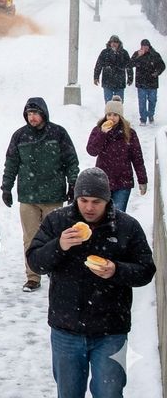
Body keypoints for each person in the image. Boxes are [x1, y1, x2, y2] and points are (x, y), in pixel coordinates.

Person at [26, 167, 155, 398]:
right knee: (68, 393)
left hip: (111, 331)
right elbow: (35, 262)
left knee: (109, 392)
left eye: (96, 201)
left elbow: (146, 270)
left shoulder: (126, 226)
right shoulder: (58, 221)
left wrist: (117, 270)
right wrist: (59, 246)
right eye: (83, 200)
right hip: (66, 329)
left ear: (108, 200)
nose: (89, 207)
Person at [1, 96, 80, 292]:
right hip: (28, 196)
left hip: (53, 195)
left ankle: (54, 269)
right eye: (29, 114)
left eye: (35, 113)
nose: (32, 117)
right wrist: (6, 187)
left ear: (43, 114)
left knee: (55, 236)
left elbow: (71, 160)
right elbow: (11, 163)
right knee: (30, 237)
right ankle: (33, 276)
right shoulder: (19, 136)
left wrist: (73, 184)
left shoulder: (58, 133)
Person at [86, 96, 147, 213]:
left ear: (120, 116)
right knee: (102, 215)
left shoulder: (129, 133)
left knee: (118, 215)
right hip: (102, 182)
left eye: (115, 115)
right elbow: (92, 151)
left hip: (123, 181)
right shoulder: (98, 130)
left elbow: (137, 158)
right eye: (109, 115)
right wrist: (102, 134)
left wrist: (142, 180)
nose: (112, 118)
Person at [130, 38, 166, 125]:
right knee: (142, 102)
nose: (145, 48)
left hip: (152, 83)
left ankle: (150, 116)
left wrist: (157, 73)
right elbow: (130, 64)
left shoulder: (155, 55)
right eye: (143, 46)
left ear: (149, 46)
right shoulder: (137, 54)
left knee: (152, 101)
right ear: (141, 46)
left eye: (146, 46)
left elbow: (162, 66)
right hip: (141, 83)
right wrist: (138, 56)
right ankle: (143, 119)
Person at [94, 35, 133, 103]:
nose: (114, 44)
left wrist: (130, 78)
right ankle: (109, 113)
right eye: (112, 42)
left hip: (120, 82)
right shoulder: (104, 52)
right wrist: (96, 77)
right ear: (109, 43)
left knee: (119, 104)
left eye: (116, 42)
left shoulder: (124, 53)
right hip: (107, 81)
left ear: (119, 43)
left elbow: (129, 66)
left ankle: (117, 114)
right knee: (108, 103)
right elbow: (98, 65)